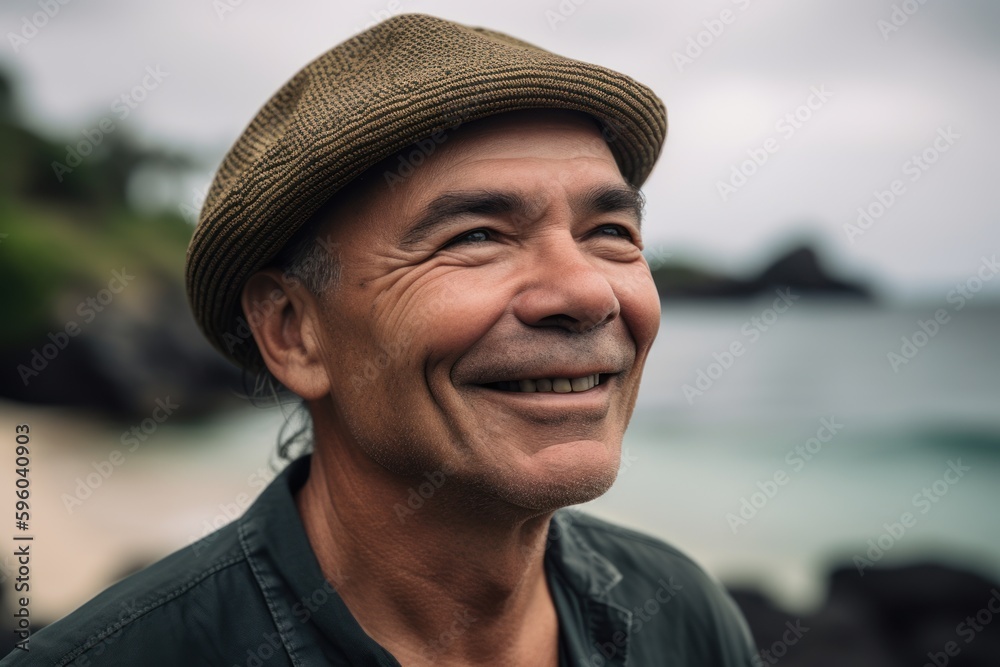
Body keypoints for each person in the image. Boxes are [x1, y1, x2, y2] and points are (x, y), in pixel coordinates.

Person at [3, 13, 757, 666]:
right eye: (479, 235)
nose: (588, 292)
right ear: (294, 331)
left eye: (612, 233)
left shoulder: (684, 617)